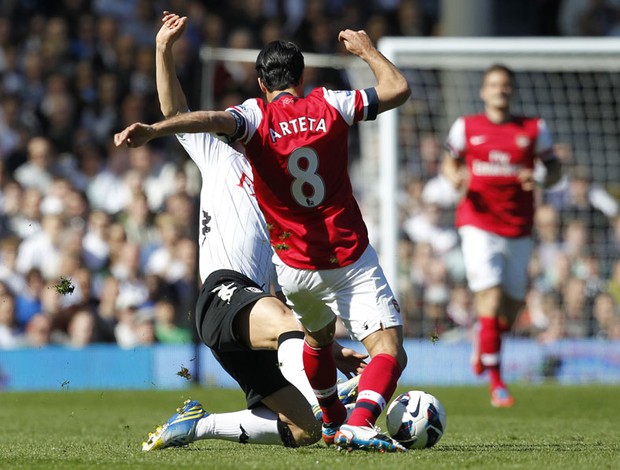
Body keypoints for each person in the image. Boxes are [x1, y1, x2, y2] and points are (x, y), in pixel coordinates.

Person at [115, 18, 411, 453]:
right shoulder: (219, 156)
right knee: (299, 327)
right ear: (302, 77)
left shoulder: (271, 158)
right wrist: (163, 51)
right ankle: (345, 406)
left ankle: (199, 424)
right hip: (225, 294)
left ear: (259, 82)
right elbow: (179, 114)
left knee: (304, 430)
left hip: (261, 302)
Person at [441, 64, 562, 407]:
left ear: (511, 90)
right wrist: (454, 178)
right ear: (483, 91)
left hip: (519, 227)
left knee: (511, 306)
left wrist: (539, 179)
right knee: (490, 298)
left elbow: (554, 170)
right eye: (493, 84)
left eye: (505, 85)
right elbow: (448, 162)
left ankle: (485, 344)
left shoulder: (533, 128)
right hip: (477, 223)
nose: (500, 90)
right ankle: (497, 383)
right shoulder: (467, 127)